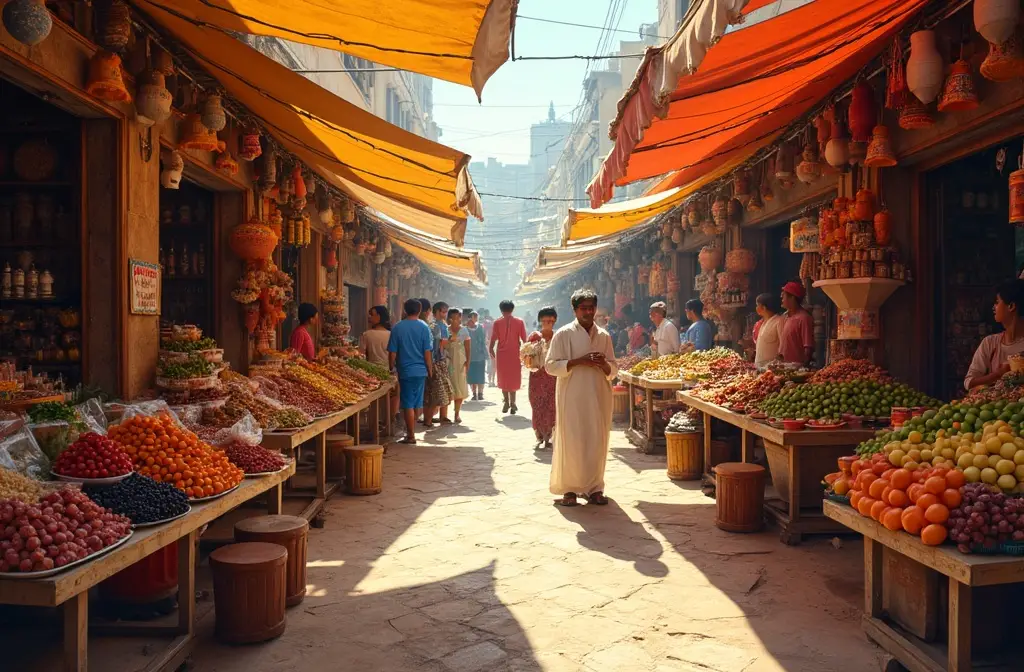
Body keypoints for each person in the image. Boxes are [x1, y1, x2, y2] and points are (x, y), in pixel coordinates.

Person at [545, 289, 618, 507]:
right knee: (572, 439)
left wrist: (603, 364)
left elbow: (613, 368)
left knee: (597, 439)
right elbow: (550, 366)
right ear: (575, 310)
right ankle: (570, 489)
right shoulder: (563, 334)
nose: (588, 312)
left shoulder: (604, 336)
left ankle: (595, 488)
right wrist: (578, 361)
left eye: (591, 308)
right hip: (572, 395)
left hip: (598, 395)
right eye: (583, 308)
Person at [388, 299, 433, 445]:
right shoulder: (424, 327)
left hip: (405, 370)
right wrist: (430, 369)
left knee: (407, 403)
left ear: (405, 310)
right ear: (419, 310)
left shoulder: (398, 327)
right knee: (416, 403)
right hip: (421, 371)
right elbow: (427, 353)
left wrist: (391, 368)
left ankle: (411, 435)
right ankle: (411, 429)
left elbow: (392, 352)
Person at [965, 279, 1024, 389]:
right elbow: (969, 383)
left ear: (1011, 306)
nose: (993, 307)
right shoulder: (990, 343)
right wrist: (998, 374)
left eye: (997, 302)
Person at [489, 299, 527, 414]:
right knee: (513, 378)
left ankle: (506, 401)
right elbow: (525, 339)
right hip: (515, 354)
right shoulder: (519, 322)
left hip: (502, 354)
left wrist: (491, 349)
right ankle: (513, 403)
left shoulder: (497, 323)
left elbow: (493, 339)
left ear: (501, 310)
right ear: (512, 309)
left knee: (503, 377)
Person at [528, 306, 558, 450]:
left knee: (551, 406)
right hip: (536, 377)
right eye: (544, 320)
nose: (546, 323)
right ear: (540, 321)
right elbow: (526, 356)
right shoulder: (534, 337)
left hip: (553, 377)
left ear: (554, 321)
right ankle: (539, 435)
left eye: (550, 320)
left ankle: (549, 436)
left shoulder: (559, 337)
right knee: (537, 405)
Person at [423, 301, 454, 426]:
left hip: (438, 360)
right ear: (436, 312)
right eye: (442, 311)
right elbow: (442, 344)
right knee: (436, 391)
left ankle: (441, 416)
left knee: (441, 390)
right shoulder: (437, 326)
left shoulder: (437, 325)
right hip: (437, 361)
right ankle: (429, 420)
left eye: (446, 311)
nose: (444, 314)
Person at [446, 308, 471, 423]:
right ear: (449, 318)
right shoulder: (445, 330)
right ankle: (444, 415)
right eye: (453, 317)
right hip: (448, 362)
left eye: (458, 317)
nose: (456, 320)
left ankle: (457, 414)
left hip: (461, 362)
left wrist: (468, 362)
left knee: (460, 387)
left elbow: (467, 348)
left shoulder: (464, 331)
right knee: (448, 386)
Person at [780, 281, 814, 365]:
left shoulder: (804, 318)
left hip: (796, 368)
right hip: (784, 367)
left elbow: (808, 348)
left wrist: (802, 368)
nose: (781, 298)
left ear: (792, 297)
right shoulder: (785, 317)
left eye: (783, 296)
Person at [752, 293, 785, 367]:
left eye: (757, 305)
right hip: (760, 368)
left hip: (772, 368)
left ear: (764, 307)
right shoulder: (763, 323)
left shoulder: (779, 321)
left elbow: (783, 347)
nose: (756, 308)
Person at [466, 311, 488, 400]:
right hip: (470, 356)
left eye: (476, 317)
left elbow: (483, 339)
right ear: (470, 317)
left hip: (480, 355)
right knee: (472, 376)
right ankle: (474, 393)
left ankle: (480, 393)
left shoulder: (480, 327)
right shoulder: (465, 328)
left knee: (480, 375)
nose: (475, 319)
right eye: (474, 317)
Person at [483, 309, 497, 387]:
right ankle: (491, 381)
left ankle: (491, 380)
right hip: (490, 343)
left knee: (491, 363)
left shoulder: (487, 322)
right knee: (492, 363)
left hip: (490, 343)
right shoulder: (491, 321)